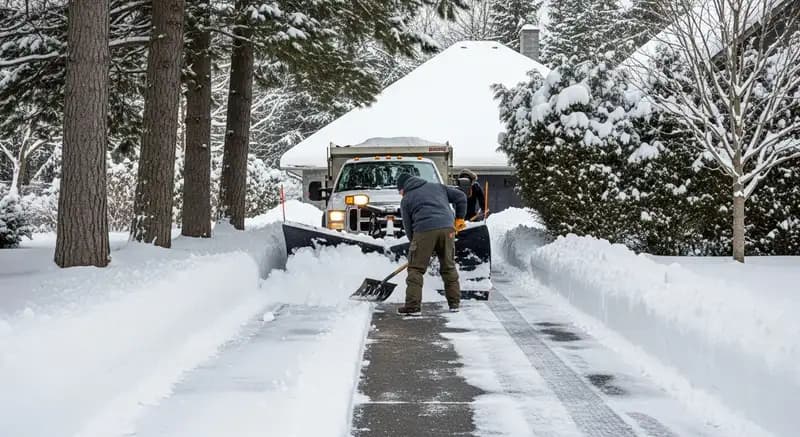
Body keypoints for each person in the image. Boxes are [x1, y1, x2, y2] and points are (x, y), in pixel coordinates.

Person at [396, 172, 467, 316]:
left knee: (415, 269)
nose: (400, 194)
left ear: (403, 187)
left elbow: (408, 227)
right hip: (448, 229)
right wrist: (459, 219)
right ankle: (454, 304)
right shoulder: (437, 187)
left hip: (423, 230)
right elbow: (461, 197)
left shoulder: (407, 199)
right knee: (448, 267)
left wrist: (417, 246)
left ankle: (413, 307)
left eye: (400, 191)